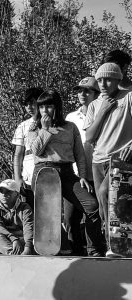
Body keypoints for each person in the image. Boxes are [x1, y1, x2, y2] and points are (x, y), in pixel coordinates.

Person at [28, 89, 106, 257]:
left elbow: (80, 154)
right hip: (44, 173)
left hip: (67, 172)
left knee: (92, 206)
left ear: (57, 107)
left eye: (49, 106)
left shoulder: (70, 127)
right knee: (47, 216)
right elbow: (36, 151)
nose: (44, 111)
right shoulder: (34, 127)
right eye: (41, 107)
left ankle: (93, 250)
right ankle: (47, 252)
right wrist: (45, 129)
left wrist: (83, 176)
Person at [84, 63, 132, 256]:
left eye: (109, 79)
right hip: (98, 162)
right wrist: (103, 110)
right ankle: (114, 245)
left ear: (119, 80)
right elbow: (89, 137)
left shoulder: (128, 97)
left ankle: (116, 246)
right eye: (100, 79)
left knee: (107, 194)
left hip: (120, 158)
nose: (103, 83)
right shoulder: (95, 105)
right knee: (105, 208)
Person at [63, 77, 99, 255]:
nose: (82, 94)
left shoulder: (104, 113)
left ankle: (95, 251)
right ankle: (76, 253)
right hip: (75, 176)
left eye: (87, 91)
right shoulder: (70, 118)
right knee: (70, 219)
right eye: (79, 91)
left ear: (96, 94)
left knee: (96, 215)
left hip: (100, 174)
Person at [12, 87, 44, 208]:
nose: (29, 107)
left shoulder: (52, 123)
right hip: (28, 179)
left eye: (32, 103)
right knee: (30, 213)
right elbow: (18, 154)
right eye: (26, 104)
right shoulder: (23, 126)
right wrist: (17, 178)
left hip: (49, 178)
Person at [0, 179, 34, 255]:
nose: (4, 194)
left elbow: (28, 227)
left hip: (22, 241)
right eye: (1, 191)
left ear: (17, 194)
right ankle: (16, 258)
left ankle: (22, 256)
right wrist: (14, 239)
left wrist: (27, 247)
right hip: (5, 242)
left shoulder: (24, 207)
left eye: (8, 191)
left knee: (36, 241)